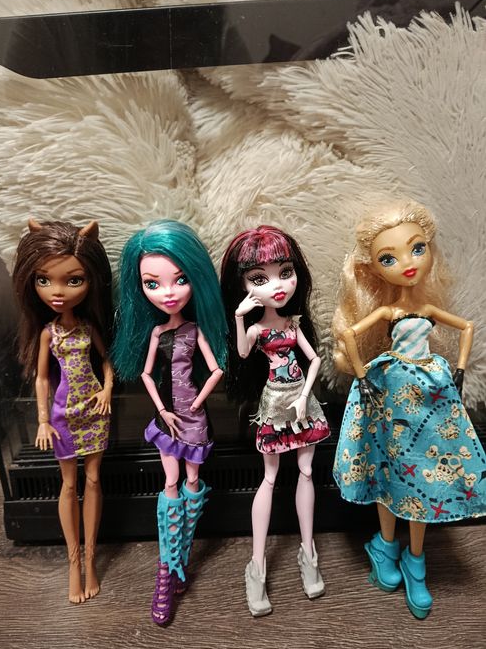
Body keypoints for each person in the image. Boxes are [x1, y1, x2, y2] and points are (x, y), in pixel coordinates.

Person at [332, 199, 486, 619]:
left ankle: (414, 559)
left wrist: (459, 369)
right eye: (389, 258)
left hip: (428, 393)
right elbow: (349, 334)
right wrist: (362, 374)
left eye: (417, 248)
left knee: (421, 475)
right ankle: (385, 546)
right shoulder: (390, 311)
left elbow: (468, 327)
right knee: (387, 469)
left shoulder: (427, 309)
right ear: (374, 268)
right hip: (391, 390)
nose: (407, 263)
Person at [112, 219, 227, 625]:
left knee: (193, 482)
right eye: (153, 283)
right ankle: (166, 569)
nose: (169, 293)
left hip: (193, 419)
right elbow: (146, 374)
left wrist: (197, 399)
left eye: (180, 279)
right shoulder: (157, 333)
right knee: (171, 482)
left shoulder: (195, 330)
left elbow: (216, 369)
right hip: (168, 420)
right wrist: (162, 409)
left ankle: (181, 561)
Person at [221, 225, 329, 617]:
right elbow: (243, 354)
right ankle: (257, 566)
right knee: (269, 477)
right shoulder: (256, 328)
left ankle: (308, 554)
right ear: (244, 285)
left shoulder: (293, 324)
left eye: (285, 272)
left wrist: (304, 396)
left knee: (306, 471)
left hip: (301, 399)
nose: (277, 286)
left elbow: (314, 360)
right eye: (259, 279)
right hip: (275, 401)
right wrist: (238, 317)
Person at [12, 218, 113, 603]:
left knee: (94, 480)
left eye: (73, 280)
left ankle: (91, 559)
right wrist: (41, 419)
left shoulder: (87, 328)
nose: (57, 292)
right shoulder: (48, 333)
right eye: (44, 280)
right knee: (69, 485)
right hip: (63, 415)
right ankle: (74, 564)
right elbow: (41, 379)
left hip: (94, 410)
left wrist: (107, 389)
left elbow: (106, 362)